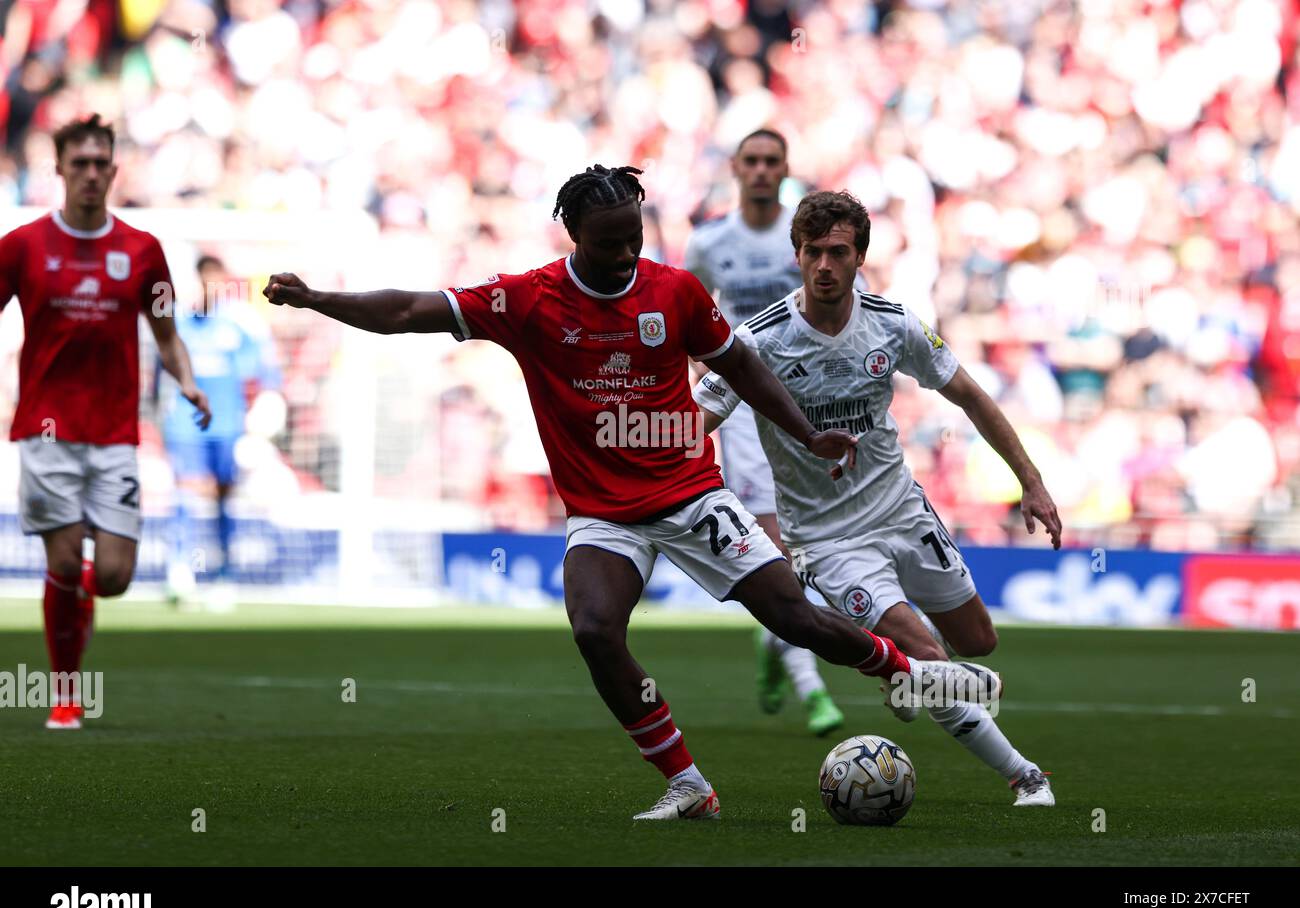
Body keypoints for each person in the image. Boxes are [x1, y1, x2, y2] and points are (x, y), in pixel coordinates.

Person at [263, 164, 1001, 821]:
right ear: (572, 234)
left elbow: (741, 367)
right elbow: (404, 312)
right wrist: (318, 298)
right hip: (604, 512)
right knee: (592, 628)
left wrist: (808, 434)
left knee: (794, 618)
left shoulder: (672, 290)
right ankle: (688, 785)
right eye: (609, 242)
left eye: (633, 238)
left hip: (690, 493)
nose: (625, 255)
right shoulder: (528, 299)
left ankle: (911, 674)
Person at [693, 189, 1061, 806]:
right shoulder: (759, 342)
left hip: (901, 511)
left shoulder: (893, 323)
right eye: (813, 252)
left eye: (838, 252)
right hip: (828, 541)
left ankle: (911, 683)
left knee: (976, 643)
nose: (825, 266)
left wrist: (1031, 479)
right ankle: (1026, 775)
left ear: (860, 256)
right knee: (923, 652)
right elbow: (693, 421)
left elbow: (969, 394)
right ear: (798, 255)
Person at [0, 114, 211, 729]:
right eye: (80, 163)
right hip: (45, 430)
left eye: (101, 164)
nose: (91, 173)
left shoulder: (143, 251)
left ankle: (81, 603)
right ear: (60, 169)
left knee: (114, 578)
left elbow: (166, 334)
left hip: (117, 431)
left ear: (114, 171)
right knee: (63, 561)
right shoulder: (21, 246)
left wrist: (189, 382)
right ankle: (65, 693)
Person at [684, 128, 853, 736]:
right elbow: (689, 323)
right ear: (735, 167)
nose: (760, 170)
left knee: (818, 545)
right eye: (750, 161)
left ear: (785, 168)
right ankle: (813, 691)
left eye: (770, 162)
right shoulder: (708, 244)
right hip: (748, 414)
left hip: (816, 405)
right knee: (778, 554)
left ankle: (775, 642)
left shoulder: (810, 237)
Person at [161, 254, 279, 603]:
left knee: (224, 499)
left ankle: (224, 574)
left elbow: (266, 371)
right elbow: (160, 370)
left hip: (227, 424)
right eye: (204, 279)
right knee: (184, 493)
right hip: (185, 421)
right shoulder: (178, 321)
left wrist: (266, 407)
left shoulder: (241, 323)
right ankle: (180, 569)